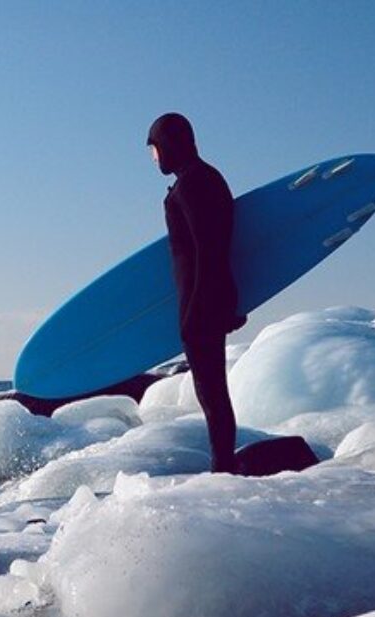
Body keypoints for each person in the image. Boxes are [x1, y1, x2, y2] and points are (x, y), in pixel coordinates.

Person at [147, 112, 245, 474]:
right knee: (212, 392)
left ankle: (224, 468)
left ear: (170, 144)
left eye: (155, 149)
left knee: (212, 393)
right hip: (206, 299)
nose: (154, 159)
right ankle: (225, 464)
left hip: (200, 303)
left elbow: (210, 249)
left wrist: (198, 311)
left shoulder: (193, 184)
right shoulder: (203, 179)